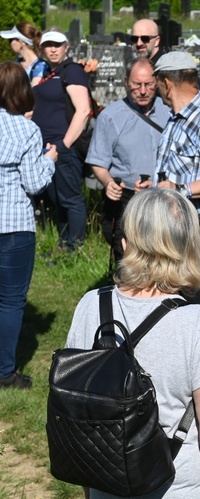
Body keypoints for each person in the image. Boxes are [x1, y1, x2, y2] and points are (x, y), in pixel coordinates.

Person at [64, 188, 200, 499]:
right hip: (176, 486)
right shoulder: (198, 322)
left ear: (126, 244)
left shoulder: (90, 305)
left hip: (105, 480)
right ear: (190, 246)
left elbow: (76, 407)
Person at [139, 51, 200, 265]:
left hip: (196, 225)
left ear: (167, 83)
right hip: (173, 220)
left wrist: (178, 190)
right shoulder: (177, 117)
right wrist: (155, 187)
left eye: (156, 83)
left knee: (192, 290)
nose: (155, 90)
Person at [0, 61, 56, 389]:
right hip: (14, 227)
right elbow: (34, 183)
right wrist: (49, 160)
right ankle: (5, 372)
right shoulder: (27, 131)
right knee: (10, 301)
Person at [87, 56, 170, 268]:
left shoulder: (170, 112)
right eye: (136, 85)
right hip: (127, 199)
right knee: (128, 261)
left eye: (148, 84)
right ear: (126, 83)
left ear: (157, 83)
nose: (143, 91)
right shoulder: (111, 116)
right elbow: (98, 160)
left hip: (164, 196)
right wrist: (108, 183)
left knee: (164, 258)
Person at [32, 28, 91, 252]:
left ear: (67, 47)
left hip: (62, 145)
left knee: (70, 198)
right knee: (57, 198)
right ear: (42, 48)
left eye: (57, 44)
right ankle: (63, 245)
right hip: (47, 147)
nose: (53, 49)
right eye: (48, 45)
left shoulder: (72, 71)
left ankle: (74, 248)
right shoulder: (47, 72)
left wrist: (64, 145)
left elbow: (83, 110)